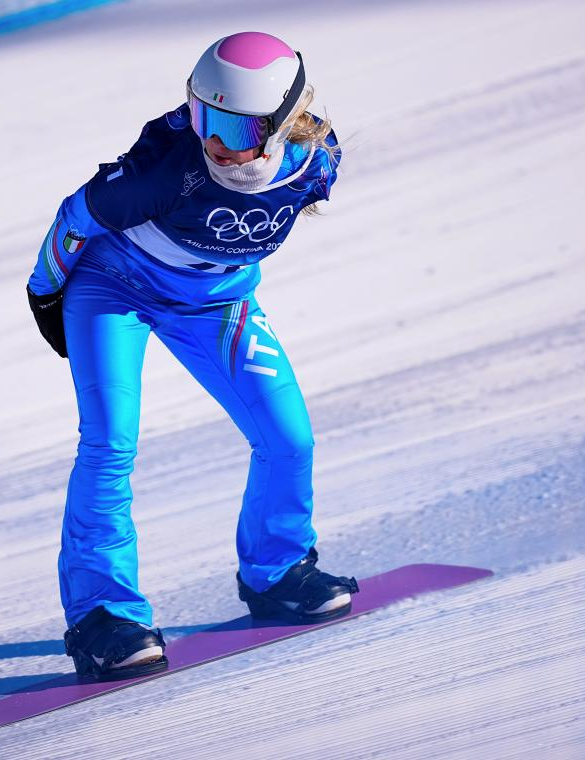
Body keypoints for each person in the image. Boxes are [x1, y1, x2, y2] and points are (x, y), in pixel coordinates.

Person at [26, 31, 358, 682]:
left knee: (290, 439)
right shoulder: (163, 165)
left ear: (281, 125)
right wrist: (44, 293)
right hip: (115, 289)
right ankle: (102, 615)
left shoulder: (316, 161)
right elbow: (74, 216)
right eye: (204, 116)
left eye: (235, 128)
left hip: (217, 302)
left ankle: (278, 571)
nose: (214, 141)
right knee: (110, 442)